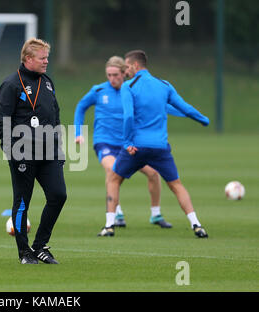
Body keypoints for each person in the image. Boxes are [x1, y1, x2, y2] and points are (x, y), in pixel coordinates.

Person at [74, 56, 186, 236]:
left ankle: (155, 214)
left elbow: (161, 107)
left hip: (130, 145)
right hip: (105, 142)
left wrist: (185, 112)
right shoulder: (99, 90)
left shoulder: (132, 91)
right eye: (109, 75)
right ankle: (116, 214)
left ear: (124, 73)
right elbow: (81, 107)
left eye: (115, 75)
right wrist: (78, 133)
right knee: (112, 171)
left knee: (153, 173)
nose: (112, 79)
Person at [106, 50, 209, 238]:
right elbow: (184, 107)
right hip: (160, 148)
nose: (125, 70)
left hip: (136, 147)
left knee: (113, 179)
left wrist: (127, 141)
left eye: (127, 66)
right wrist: (202, 119)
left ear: (136, 66)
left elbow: (128, 116)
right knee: (176, 184)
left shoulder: (128, 86)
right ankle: (196, 224)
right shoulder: (164, 85)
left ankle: (109, 225)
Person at [0, 38, 67, 264]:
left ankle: (40, 246)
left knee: (58, 195)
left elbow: (55, 116)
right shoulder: (11, 84)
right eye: (42, 57)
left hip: (49, 153)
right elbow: (2, 121)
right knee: (23, 201)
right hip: (22, 152)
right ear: (28, 59)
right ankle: (24, 251)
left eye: (47, 57)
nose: (47, 61)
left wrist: (59, 149)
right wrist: (10, 150)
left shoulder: (47, 82)